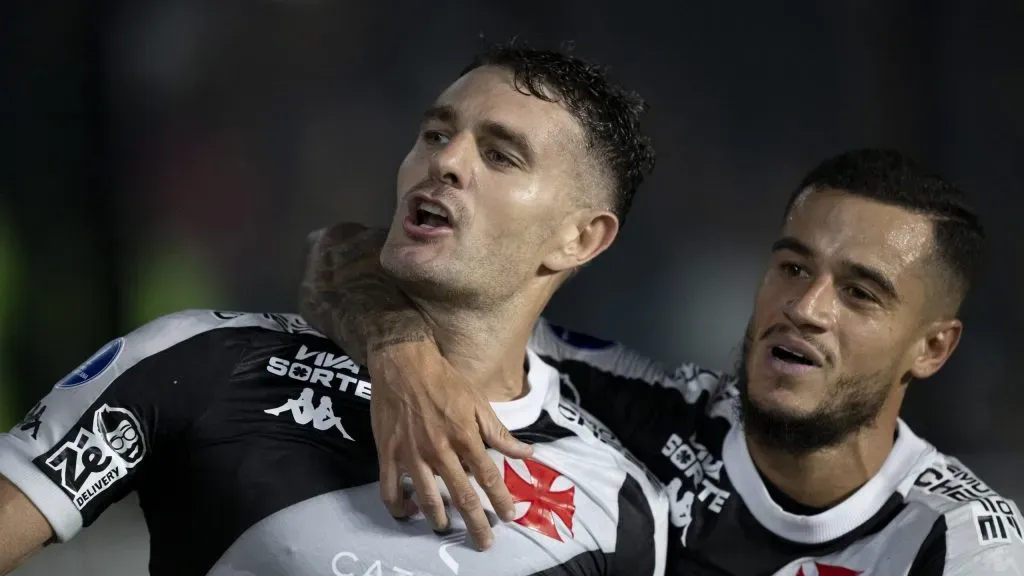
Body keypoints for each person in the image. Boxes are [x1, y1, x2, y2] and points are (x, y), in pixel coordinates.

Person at [0, 43, 669, 576]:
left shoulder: (620, 504)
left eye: (499, 155)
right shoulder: (200, 360)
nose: (447, 162)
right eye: (436, 134)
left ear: (579, 237)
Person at [300, 148, 1024, 575]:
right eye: (794, 268)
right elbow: (349, 254)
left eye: (861, 293)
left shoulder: (956, 540)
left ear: (932, 347)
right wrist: (403, 355)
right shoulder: (634, 407)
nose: (807, 308)